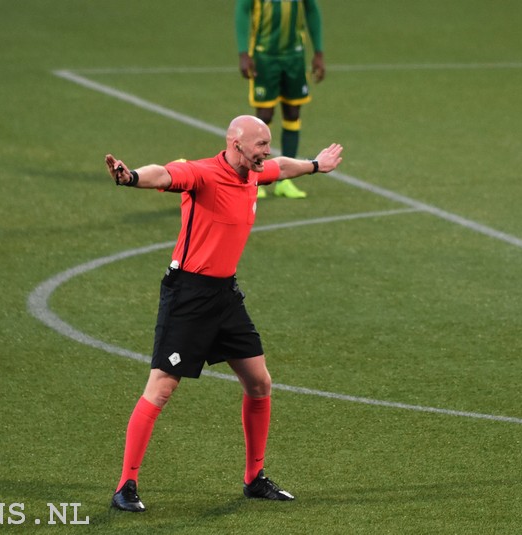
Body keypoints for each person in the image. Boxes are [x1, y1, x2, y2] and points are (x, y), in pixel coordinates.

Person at [104, 115, 343, 513]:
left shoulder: (254, 172)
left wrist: (316, 165)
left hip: (225, 296)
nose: (266, 152)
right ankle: (125, 485)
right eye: (260, 145)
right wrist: (130, 178)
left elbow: (282, 166)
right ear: (235, 144)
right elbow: (163, 174)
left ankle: (254, 479)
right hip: (188, 296)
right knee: (162, 387)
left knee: (259, 382)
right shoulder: (201, 173)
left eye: (267, 145)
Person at [235, 0, 327, 200]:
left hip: (294, 56)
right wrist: (243, 53)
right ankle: (255, 177)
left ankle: (285, 181)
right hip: (264, 56)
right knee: (264, 116)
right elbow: (242, 10)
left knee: (293, 112)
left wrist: (318, 52)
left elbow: (312, 10)